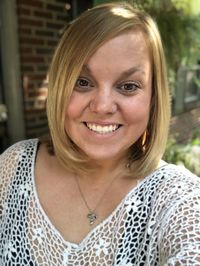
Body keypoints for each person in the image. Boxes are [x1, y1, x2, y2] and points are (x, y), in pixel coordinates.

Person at [0, 2, 200, 265]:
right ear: (60, 86)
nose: (103, 106)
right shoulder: (13, 166)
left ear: (153, 98)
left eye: (128, 86)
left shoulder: (177, 197)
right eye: (82, 82)